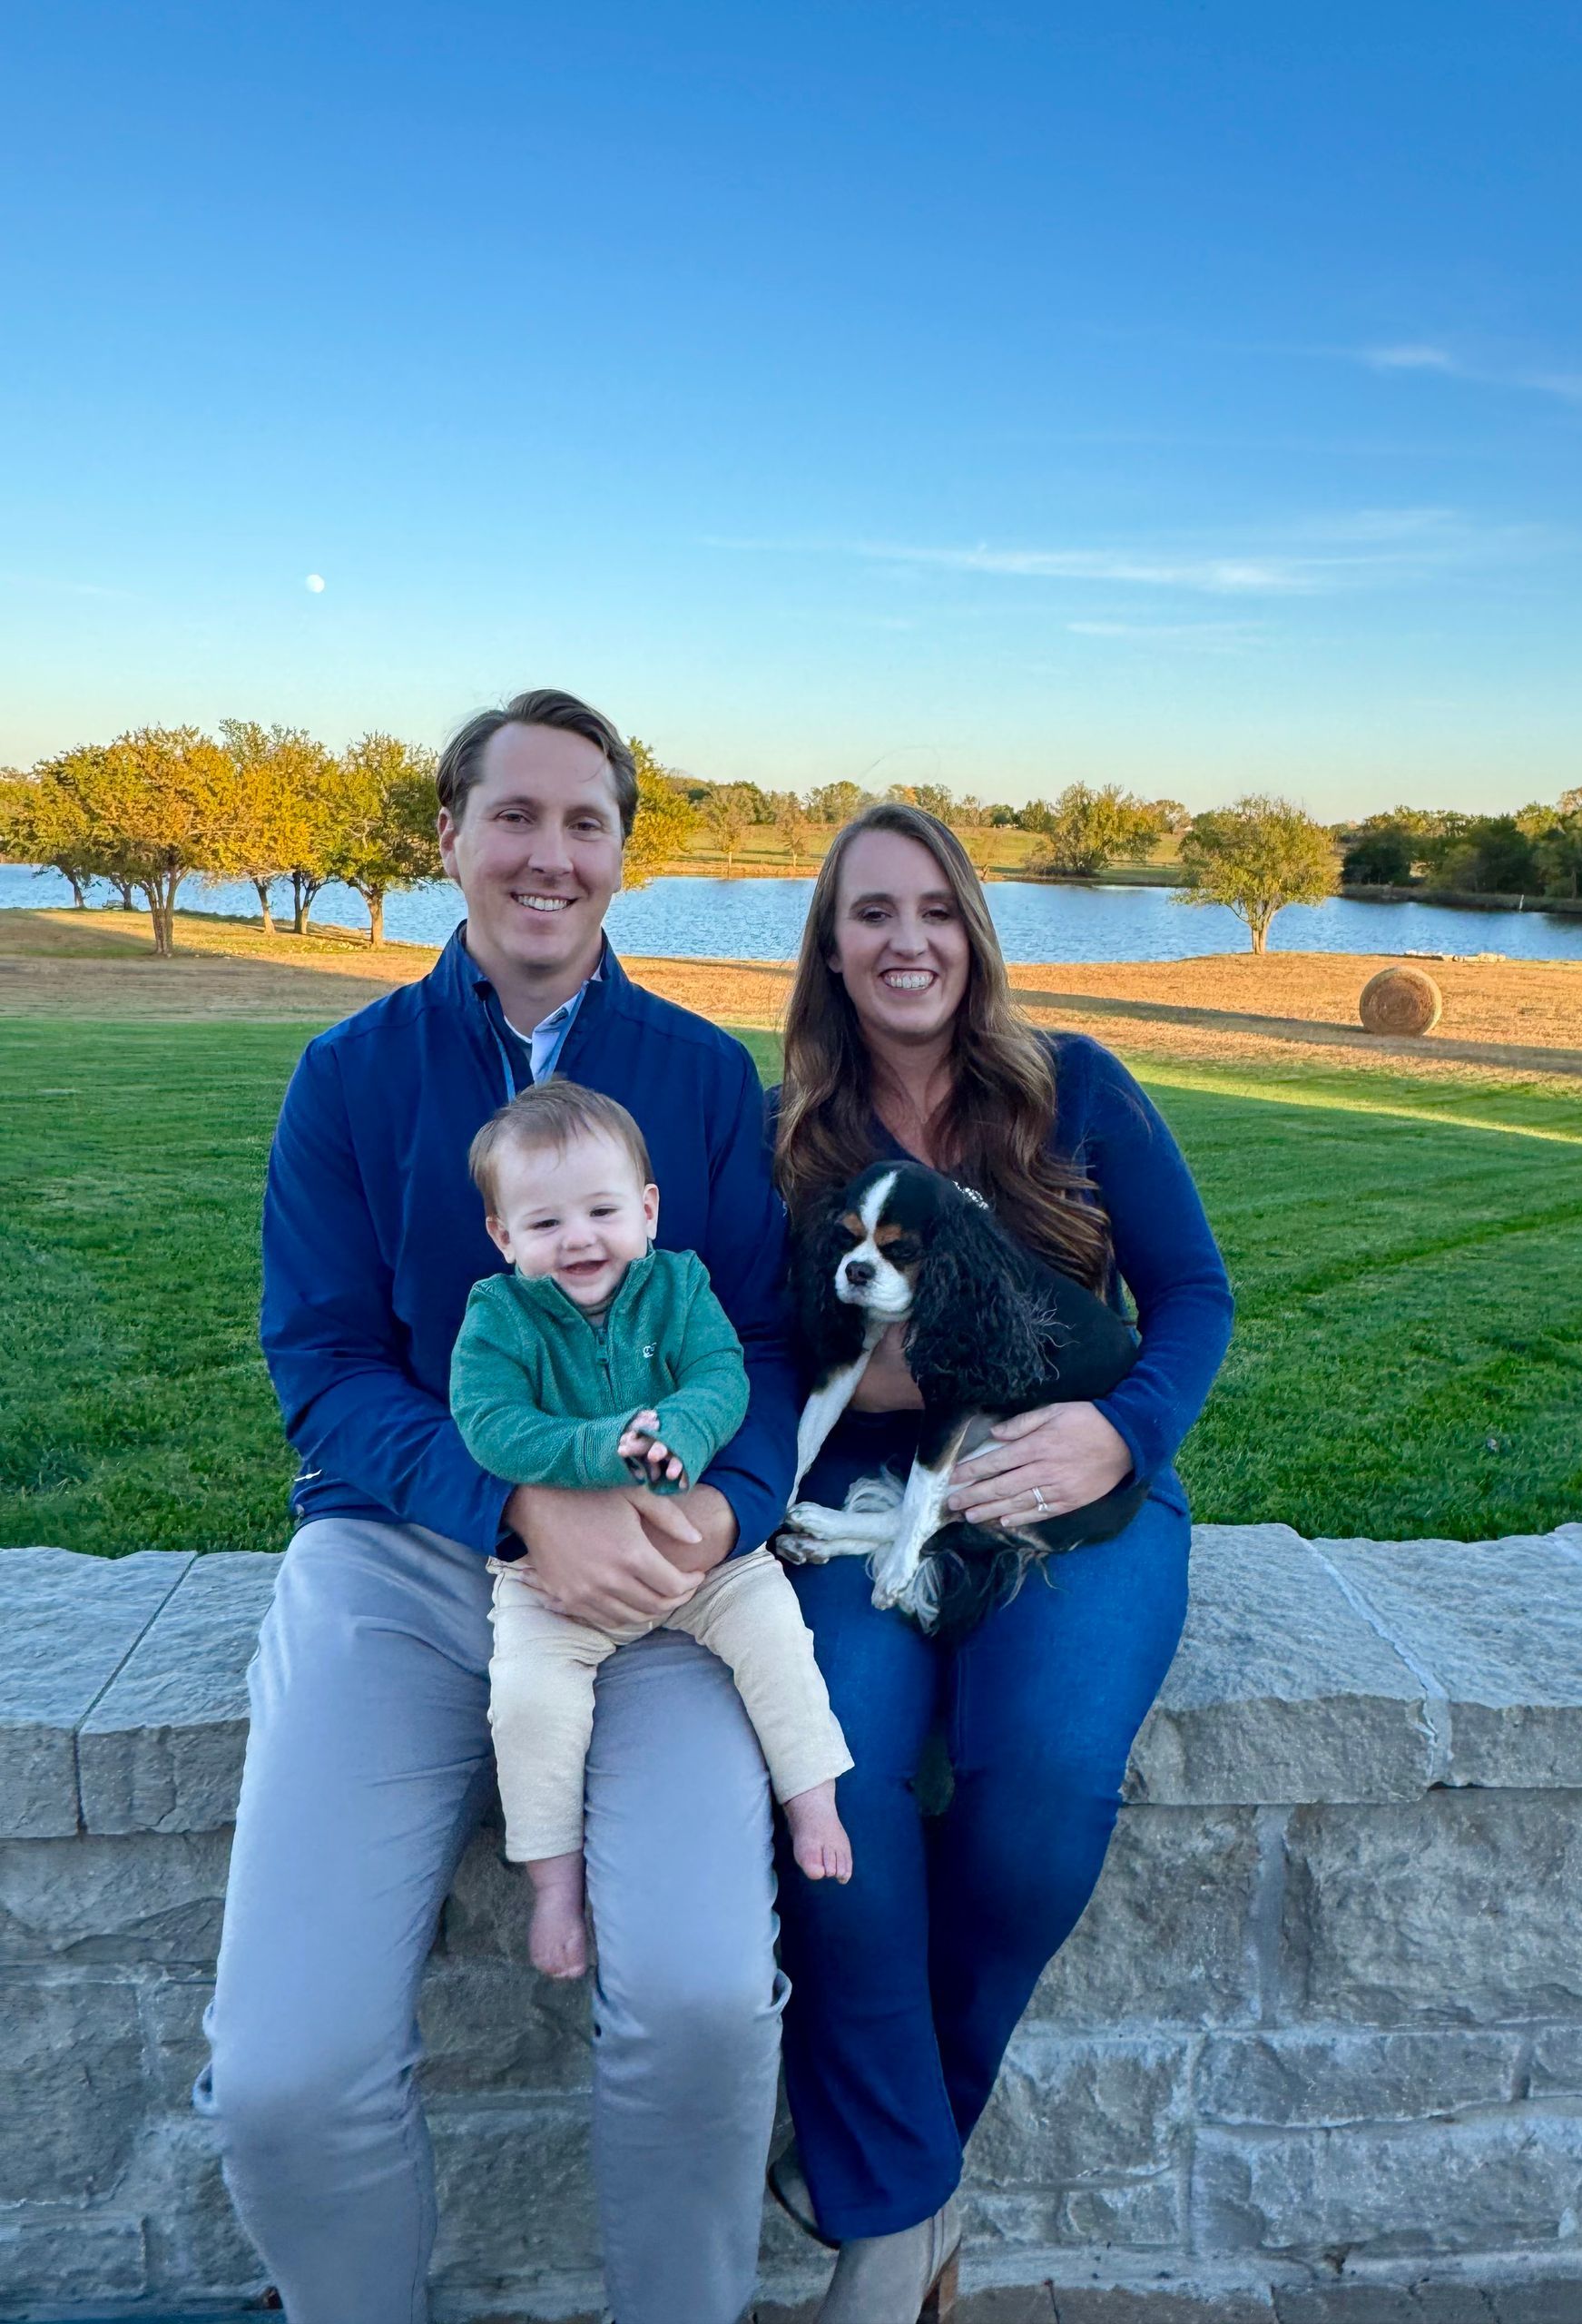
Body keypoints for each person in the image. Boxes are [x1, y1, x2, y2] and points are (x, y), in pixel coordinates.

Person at [195, 690, 800, 2324]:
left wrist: (724, 1516)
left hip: (658, 1578)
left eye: (585, 821)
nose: (549, 853)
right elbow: (320, 1361)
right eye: (513, 816)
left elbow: (763, 1336)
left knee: (702, 2006)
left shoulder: (698, 1078)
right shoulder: (349, 1078)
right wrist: (517, 1506)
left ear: (622, 857)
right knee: (284, 2076)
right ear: (447, 839)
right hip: (400, 1555)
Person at [767, 803, 1233, 2323]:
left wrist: (1125, 1434)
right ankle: (906, 2208)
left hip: (1072, 1492)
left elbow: (1194, 1294)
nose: (908, 943)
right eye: (871, 915)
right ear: (829, 949)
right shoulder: (792, 1136)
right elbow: (764, 1348)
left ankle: (904, 2153)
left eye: (937, 912)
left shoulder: (1076, 1089)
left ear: (975, 931)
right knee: (834, 1779)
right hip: (858, 1503)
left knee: (1039, 1793)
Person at [451, 1076, 852, 1982]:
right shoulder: (497, 1316)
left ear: (648, 1208)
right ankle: (555, 1881)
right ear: (502, 1236)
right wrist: (598, 1448)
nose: (580, 1238)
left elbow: (722, 1377)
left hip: (693, 1547)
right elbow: (489, 1423)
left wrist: (679, 1431)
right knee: (527, 1699)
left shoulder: (681, 1286)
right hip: (550, 1574)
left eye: (602, 1210)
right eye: (545, 1224)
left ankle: (813, 1799)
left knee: (778, 1634)